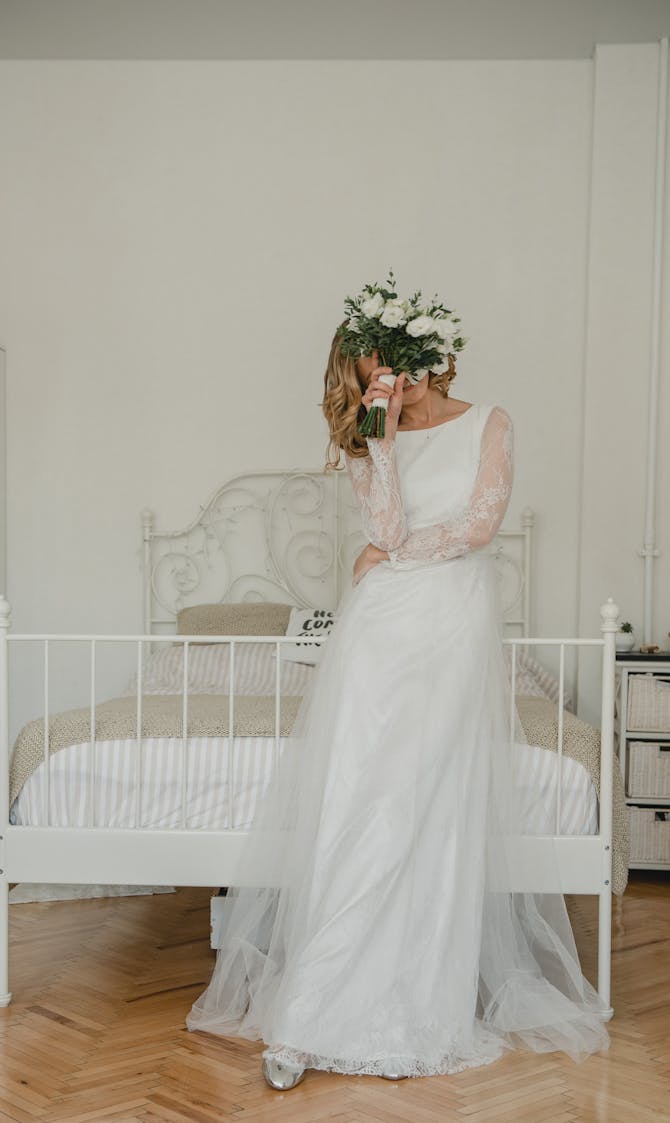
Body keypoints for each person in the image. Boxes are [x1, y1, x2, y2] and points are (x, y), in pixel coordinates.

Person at [186, 331, 610, 1088]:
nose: (387, 381)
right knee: (357, 801)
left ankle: (412, 1012)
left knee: (428, 807)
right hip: (378, 627)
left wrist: (390, 555)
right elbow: (382, 528)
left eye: (390, 366)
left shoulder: (491, 423)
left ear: (419, 352)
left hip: (450, 622)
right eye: (368, 376)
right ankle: (311, 1013)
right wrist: (377, 444)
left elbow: (478, 527)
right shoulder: (368, 438)